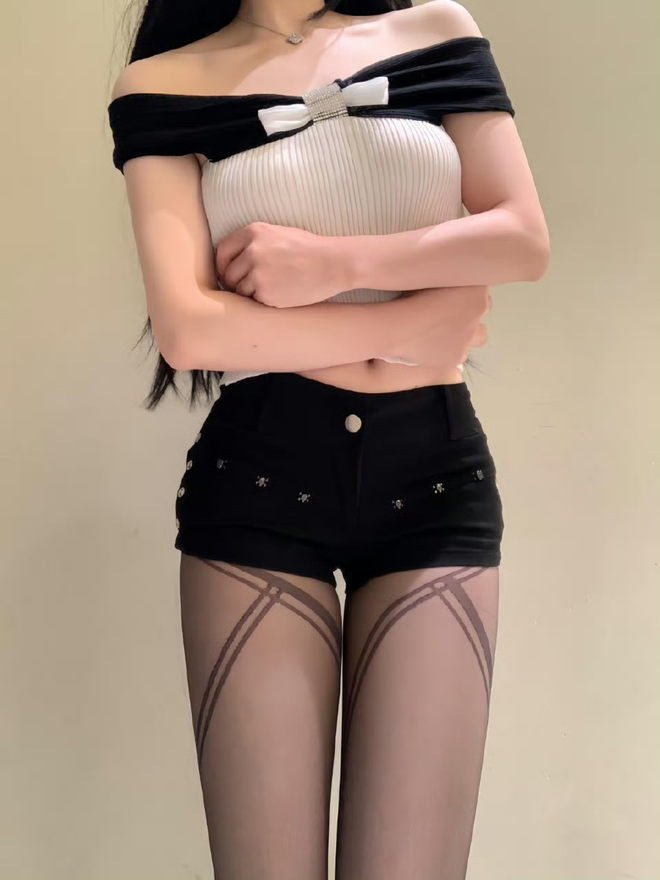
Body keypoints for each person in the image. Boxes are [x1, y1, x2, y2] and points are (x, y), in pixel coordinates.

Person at [108, 0, 549, 876]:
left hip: (433, 479)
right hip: (261, 478)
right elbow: (191, 332)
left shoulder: (436, 31)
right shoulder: (161, 82)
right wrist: (415, 325)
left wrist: (334, 266)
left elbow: (520, 238)